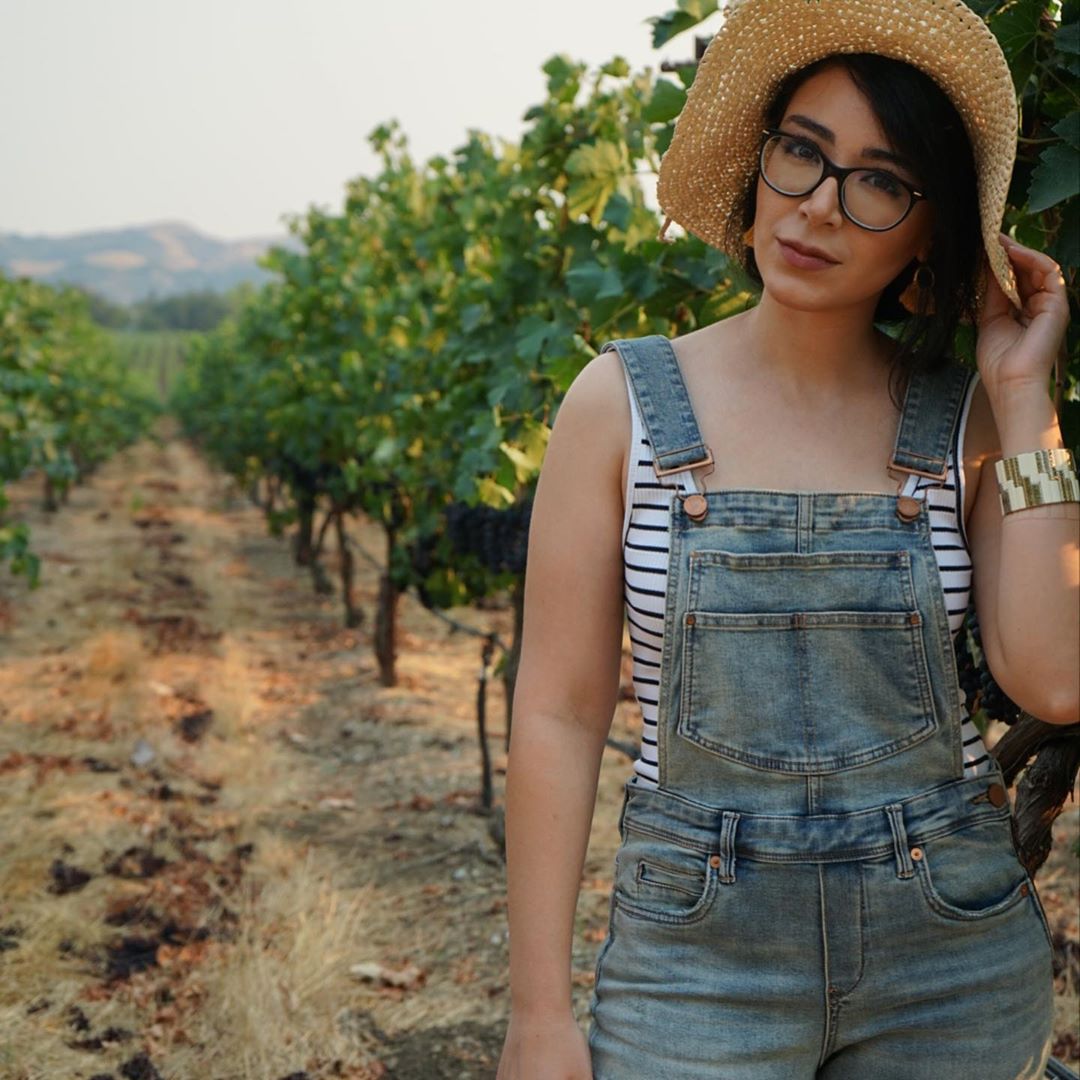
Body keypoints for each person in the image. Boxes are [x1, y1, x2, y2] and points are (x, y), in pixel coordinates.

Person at [496, 0, 1078, 1076]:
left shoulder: (973, 422)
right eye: (801, 154)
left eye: (880, 182)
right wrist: (539, 1015)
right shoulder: (619, 405)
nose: (819, 206)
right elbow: (562, 710)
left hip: (950, 963)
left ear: (928, 227)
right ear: (757, 166)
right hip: (693, 966)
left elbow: (1053, 677)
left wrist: (1029, 393)